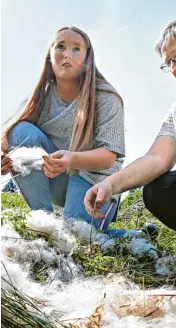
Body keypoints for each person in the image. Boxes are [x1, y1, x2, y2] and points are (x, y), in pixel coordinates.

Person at [84, 17, 176, 258]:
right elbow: (156, 159)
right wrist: (109, 184)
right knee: (159, 191)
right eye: (168, 62)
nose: (174, 66)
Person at [1, 26, 125, 233]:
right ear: (50, 56)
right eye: (60, 47)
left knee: (78, 233)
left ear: (87, 60)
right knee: (20, 131)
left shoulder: (106, 97)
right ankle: (44, 224)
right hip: (58, 179)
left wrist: (72, 159)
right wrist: (4, 157)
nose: (67, 54)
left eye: (76, 49)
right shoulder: (40, 97)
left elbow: (109, 157)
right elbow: (9, 139)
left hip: (96, 183)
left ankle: (129, 235)